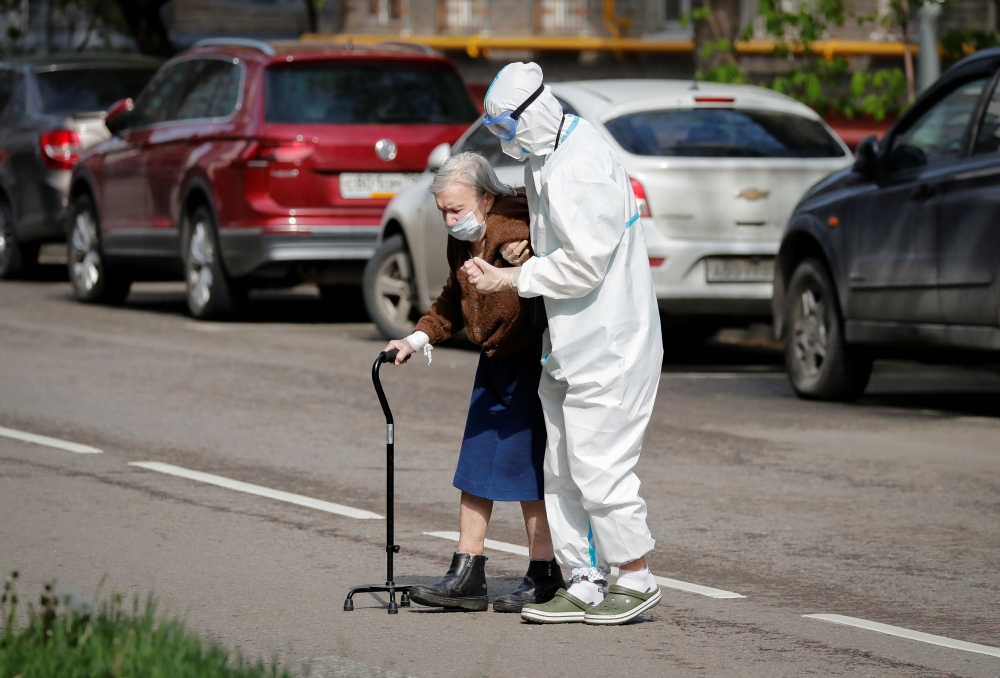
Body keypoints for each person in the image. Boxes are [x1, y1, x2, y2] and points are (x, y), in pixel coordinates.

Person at [468, 62, 664, 625]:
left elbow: (585, 264)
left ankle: (635, 574)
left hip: (612, 343)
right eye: (498, 131)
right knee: (562, 465)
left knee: (600, 464)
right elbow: (559, 245)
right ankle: (584, 577)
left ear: (536, 110)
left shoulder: (581, 162)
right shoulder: (547, 158)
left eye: (508, 128)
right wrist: (525, 256)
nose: (506, 141)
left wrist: (515, 278)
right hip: (572, 343)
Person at [383, 151, 566, 613]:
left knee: (528, 470)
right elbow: (452, 297)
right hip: (496, 360)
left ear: (486, 198)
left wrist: (520, 258)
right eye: (443, 210)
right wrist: (416, 337)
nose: (449, 218)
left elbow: (540, 254)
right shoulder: (462, 239)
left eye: (457, 209)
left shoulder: (512, 227)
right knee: (477, 464)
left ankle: (545, 573)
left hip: (531, 360)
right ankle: (468, 571)